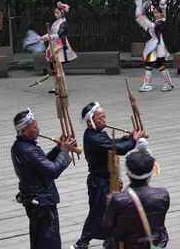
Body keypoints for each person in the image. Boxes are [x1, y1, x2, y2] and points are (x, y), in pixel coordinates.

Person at [71, 102, 144, 249]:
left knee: (111, 211)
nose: (104, 120)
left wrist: (126, 138)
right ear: (90, 121)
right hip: (99, 182)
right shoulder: (94, 138)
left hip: (105, 179)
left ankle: (109, 239)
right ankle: (82, 242)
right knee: (97, 213)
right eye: (100, 118)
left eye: (104, 117)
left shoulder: (97, 134)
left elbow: (112, 143)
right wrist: (133, 140)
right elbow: (119, 149)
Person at [10, 108, 79, 249]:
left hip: (36, 199)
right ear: (23, 130)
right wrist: (65, 151)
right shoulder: (28, 150)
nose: (38, 129)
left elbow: (42, 164)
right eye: (34, 127)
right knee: (49, 241)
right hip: (42, 202)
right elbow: (53, 171)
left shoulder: (21, 146)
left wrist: (58, 149)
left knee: (40, 240)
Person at [102, 147, 170, 249]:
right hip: (154, 244)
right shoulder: (163, 195)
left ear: (128, 174)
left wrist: (113, 201)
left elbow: (107, 227)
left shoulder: (117, 200)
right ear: (150, 175)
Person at [135, 0, 174, 92]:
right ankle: (147, 84)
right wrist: (140, 5)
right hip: (152, 47)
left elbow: (156, 23)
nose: (155, 14)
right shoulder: (156, 22)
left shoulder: (161, 22)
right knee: (148, 65)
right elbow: (143, 21)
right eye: (155, 12)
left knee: (160, 65)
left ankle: (168, 83)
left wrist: (163, 5)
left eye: (157, 12)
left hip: (158, 47)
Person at [41, 1, 78, 93]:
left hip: (60, 45)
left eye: (57, 13)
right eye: (55, 13)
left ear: (62, 13)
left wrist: (48, 37)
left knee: (58, 66)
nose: (55, 14)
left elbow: (59, 35)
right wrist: (45, 36)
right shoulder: (56, 22)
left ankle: (62, 87)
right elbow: (52, 33)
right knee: (53, 67)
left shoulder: (64, 23)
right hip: (53, 45)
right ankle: (57, 87)